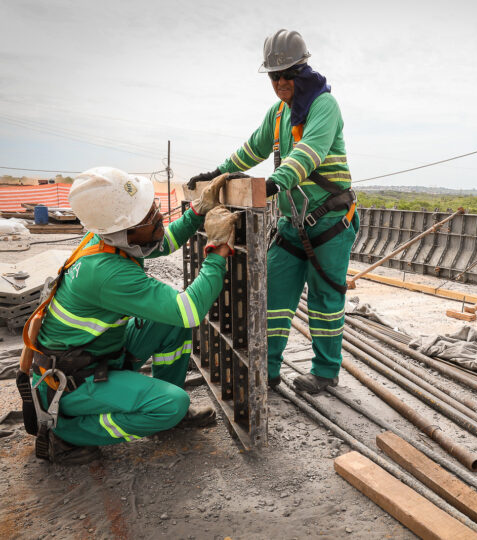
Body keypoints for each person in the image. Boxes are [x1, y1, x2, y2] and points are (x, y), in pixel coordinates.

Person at [22, 167, 238, 465]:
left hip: (98, 355)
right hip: (71, 382)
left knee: (168, 323)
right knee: (172, 403)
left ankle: (165, 411)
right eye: (151, 216)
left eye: (154, 208)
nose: (160, 217)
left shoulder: (108, 237)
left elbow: (160, 242)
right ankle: (66, 433)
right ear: (127, 229)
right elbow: (190, 310)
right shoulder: (106, 273)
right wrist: (217, 251)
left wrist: (197, 212)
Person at [188, 29, 358, 395]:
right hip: (293, 224)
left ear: (302, 70)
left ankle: (326, 372)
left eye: (287, 75)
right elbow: (252, 149)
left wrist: (274, 183)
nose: (280, 82)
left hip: (330, 222)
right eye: (274, 76)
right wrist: (217, 172)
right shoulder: (279, 113)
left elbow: (309, 151)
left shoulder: (323, 106)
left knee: (325, 301)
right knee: (273, 296)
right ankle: (267, 370)